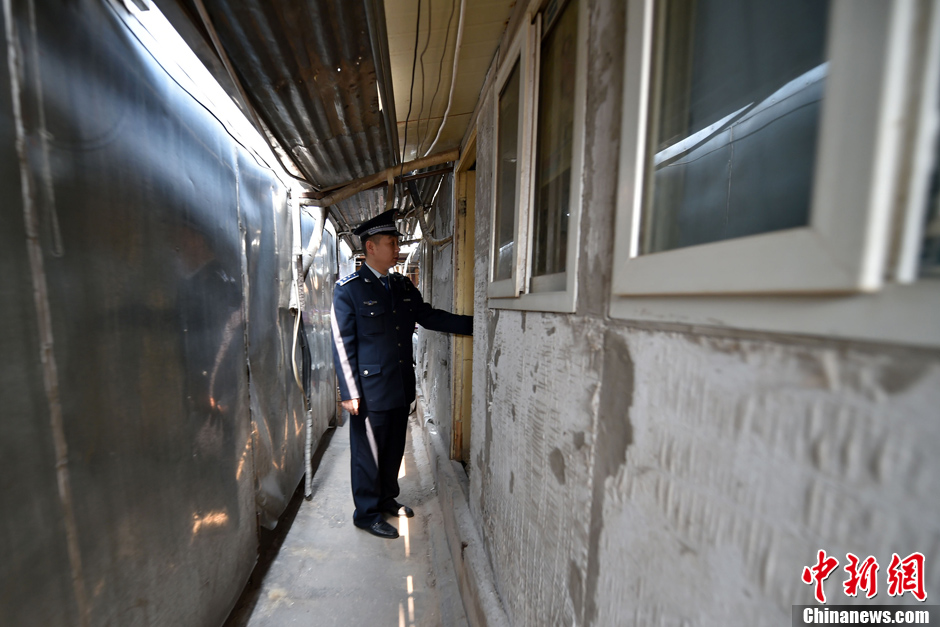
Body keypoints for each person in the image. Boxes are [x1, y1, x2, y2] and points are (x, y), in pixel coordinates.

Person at [331, 208, 473, 539]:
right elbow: (342, 343)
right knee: (368, 454)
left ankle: (386, 498)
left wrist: (474, 323)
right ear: (371, 247)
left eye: (397, 242)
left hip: (399, 384)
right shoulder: (349, 290)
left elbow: (428, 316)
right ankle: (366, 513)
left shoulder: (401, 285)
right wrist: (348, 391)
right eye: (391, 243)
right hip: (369, 390)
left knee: (394, 448)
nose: (397, 249)